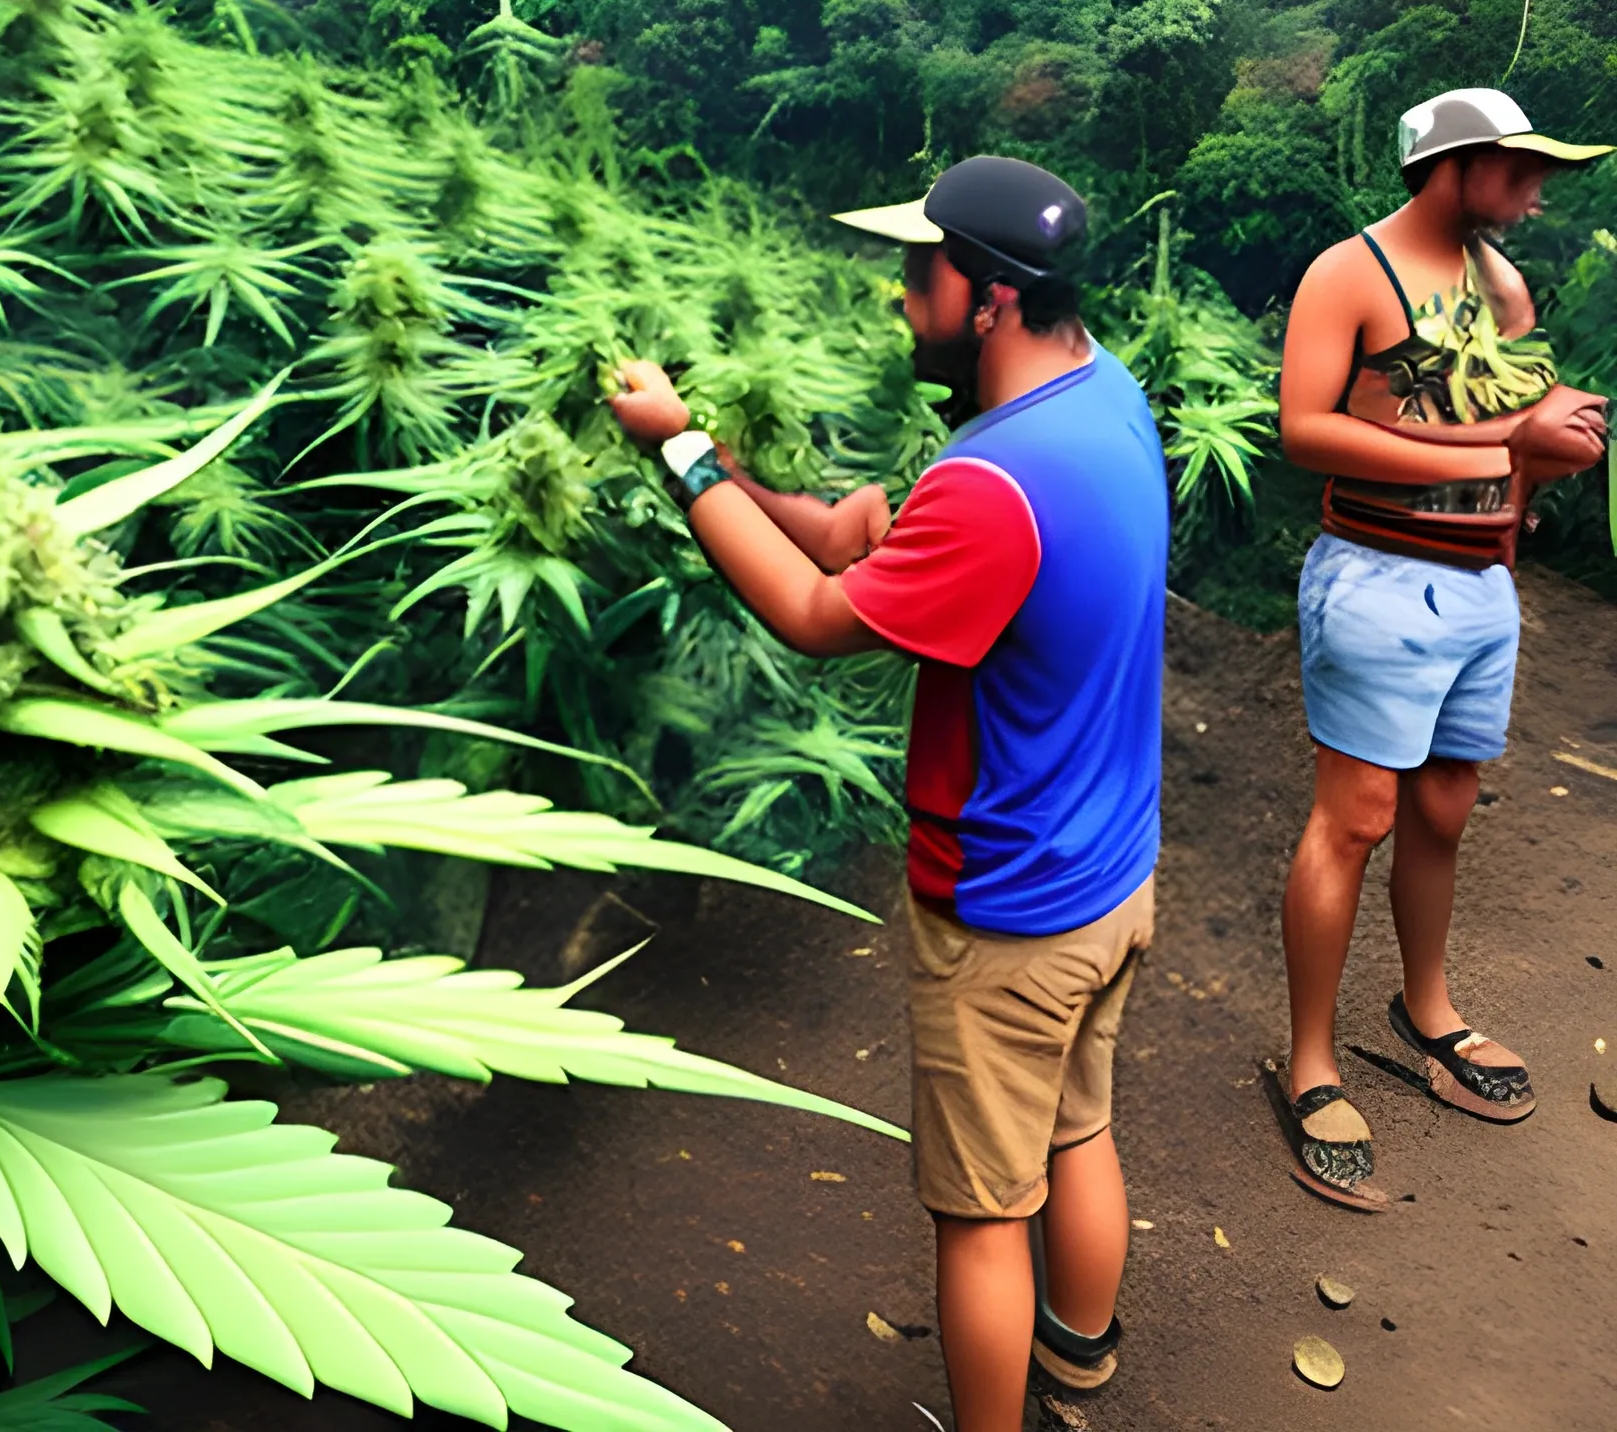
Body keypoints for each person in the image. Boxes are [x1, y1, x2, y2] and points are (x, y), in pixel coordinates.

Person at [607, 155, 1169, 1432]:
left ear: (989, 299)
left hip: (1006, 910)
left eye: (921, 275)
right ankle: (1078, 1356)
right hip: (1109, 879)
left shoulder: (989, 487)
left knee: (980, 1212)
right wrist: (742, 469)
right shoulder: (1101, 396)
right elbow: (871, 536)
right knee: (1076, 1125)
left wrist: (683, 458)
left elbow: (812, 615)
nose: (900, 298)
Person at [1274, 87, 1610, 1209]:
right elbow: (1305, 427)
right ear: (1454, 163)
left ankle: (1425, 1003)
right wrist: (1503, 437)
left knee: (1444, 799)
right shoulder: (1347, 272)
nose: (1530, 192)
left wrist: (1548, 450)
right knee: (1355, 811)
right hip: (1374, 575)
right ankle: (1310, 1058)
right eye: (1514, 170)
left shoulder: (1495, 282)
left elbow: (1509, 447)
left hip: (1479, 582)